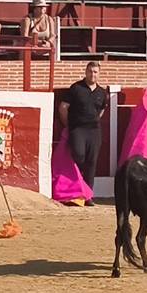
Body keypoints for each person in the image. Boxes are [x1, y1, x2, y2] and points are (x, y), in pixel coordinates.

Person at [59, 62, 108, 196]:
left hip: (94, 130)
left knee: (92, 162)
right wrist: (69, 125)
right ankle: (77, 188)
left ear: (99, 74)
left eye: (95, 72)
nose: (93, 74)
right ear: (86, 72)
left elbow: (102, 110)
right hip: (78, 128)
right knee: (79, 156)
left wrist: (94, 120)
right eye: (90, 71)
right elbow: (63, 108)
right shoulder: (76, 88)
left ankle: (88, 194)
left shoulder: (102, 92)